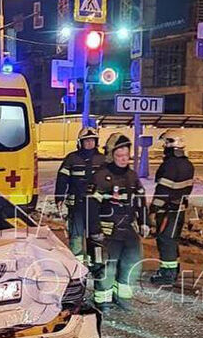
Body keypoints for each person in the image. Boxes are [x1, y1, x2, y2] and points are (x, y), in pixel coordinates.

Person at [87, 134, 148, 312]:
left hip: (127, 229)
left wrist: (144, 222)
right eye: (119, 156)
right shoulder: (100, 177)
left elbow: (140, 201)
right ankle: (103, 301)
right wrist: (94, 230)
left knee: (130, 264)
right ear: (111, 155)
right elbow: (91, 206)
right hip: (107, 231)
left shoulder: (132, 176)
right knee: (107, 267)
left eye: (126, 155)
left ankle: (122, 298)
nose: (123, 159)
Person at [149, 131, 196, 285]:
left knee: (165, 240)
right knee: (172, 241)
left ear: (171, 144)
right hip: (179, 209)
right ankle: (173, 271)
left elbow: (163, 190)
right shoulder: (188, 164)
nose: (164, 147)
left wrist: (153, 209)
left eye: (165, 144)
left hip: (167, 211)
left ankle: (167, 274)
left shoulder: (169, 165)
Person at [54, 126, 104, 262]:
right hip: (77, 206)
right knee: (76, 236)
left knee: (96, 237)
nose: (89, 143)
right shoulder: (71, 158)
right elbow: (62, 179)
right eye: (86, 141)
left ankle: (97, 265)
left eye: (92, 140)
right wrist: (59, 197)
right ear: (80, 143)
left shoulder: (103, 160)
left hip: (96, 207)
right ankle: (78, 267)